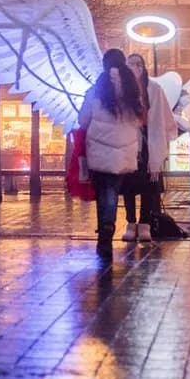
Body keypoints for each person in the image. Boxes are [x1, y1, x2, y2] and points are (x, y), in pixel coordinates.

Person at [77, 48, 145, 259]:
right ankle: (106, 230)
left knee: (104, 194)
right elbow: (139, 119)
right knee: (113, 192)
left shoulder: (96, 89)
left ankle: (105, 233)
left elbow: (83, 120)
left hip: (99, 150)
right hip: (124, 151)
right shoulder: (131, 88)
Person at [121, 53, 178, 243]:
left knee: (148, 186)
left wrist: (163, 142)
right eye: (130, 64)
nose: (134, 68)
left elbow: (164, 117)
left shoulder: (154, 89)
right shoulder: (121, 89)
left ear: (144, 66)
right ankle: (130, 223)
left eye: (138, 64)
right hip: (129, 144)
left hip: (148, 145)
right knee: (128, 186)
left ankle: (144, 224)